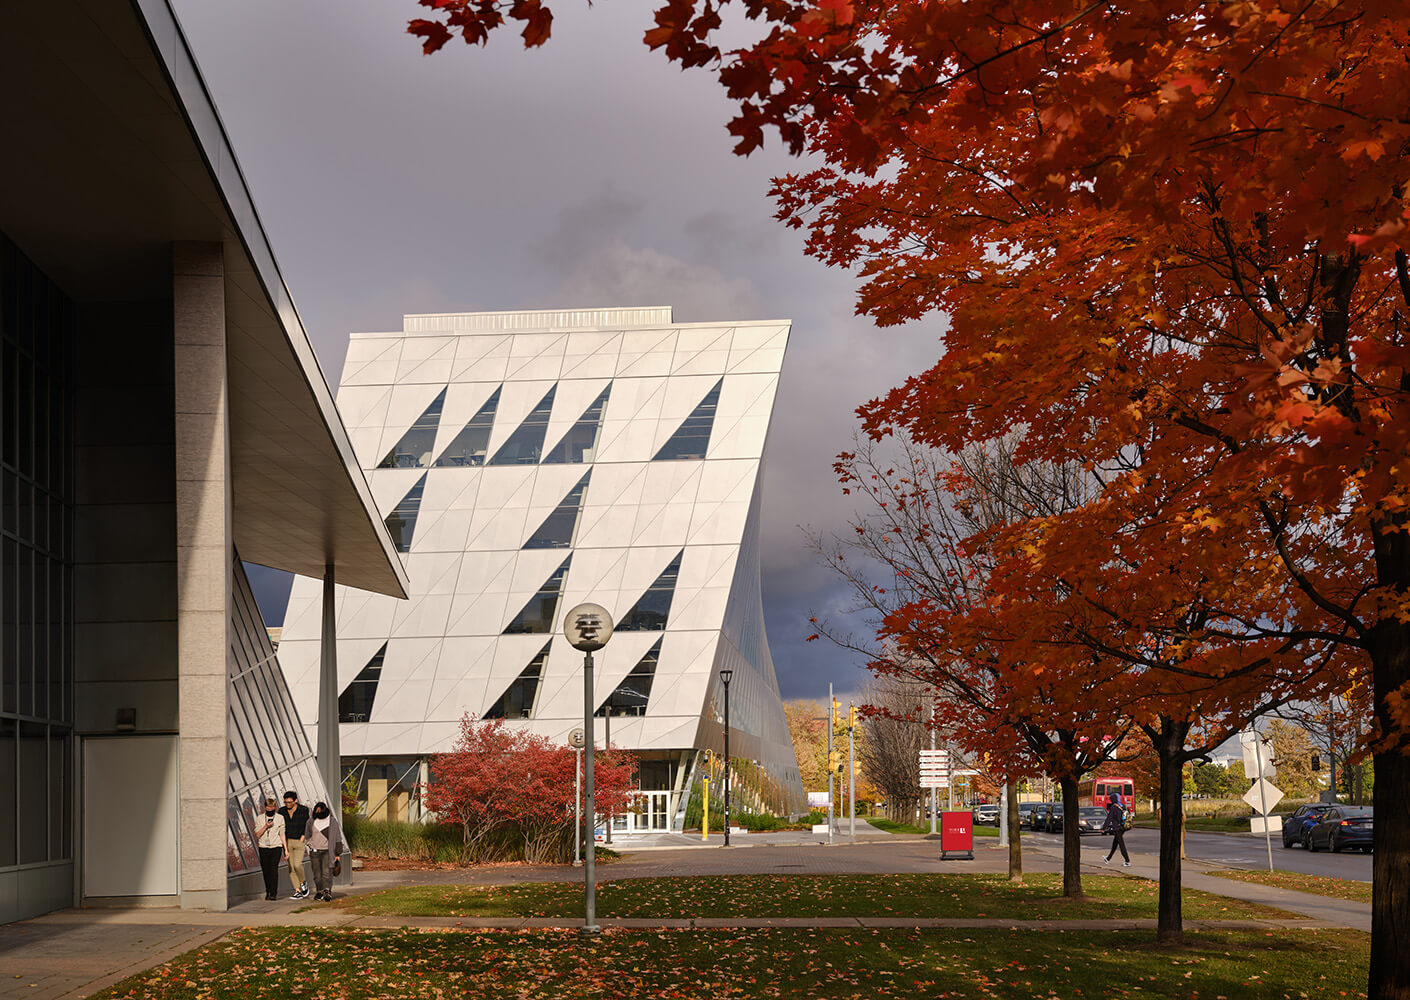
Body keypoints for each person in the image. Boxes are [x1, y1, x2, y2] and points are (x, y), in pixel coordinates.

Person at [305, 801, 345, 902]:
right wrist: (309, 843)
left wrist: (337, 853)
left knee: (327, 873)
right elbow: (307, 835)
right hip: (314, 851)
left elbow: (337, 838)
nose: (318, 814)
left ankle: (327, 891)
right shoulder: (311, 821)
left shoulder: (332, 821)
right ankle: (319, 891)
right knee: (317, 875)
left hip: (328, 851)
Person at [279, 790, 311, 899]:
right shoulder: (281, 811)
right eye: (285, 802)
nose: (287, 804)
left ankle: (303, 882)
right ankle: (297, 891)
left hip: (299, 841)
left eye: (289, 802)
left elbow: (307, 825)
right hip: (287, 842)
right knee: (291, 867)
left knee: (297, 865)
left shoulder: (303, 810)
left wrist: (303, 838)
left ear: (295, 800)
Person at [254, 798, 285, 901]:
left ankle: (273, 893)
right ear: (265, 807)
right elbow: (258, 834)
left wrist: (285, 848)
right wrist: (265, 826)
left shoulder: (280, 818)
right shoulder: (259, 818)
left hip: (276, 846)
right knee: (266, 870)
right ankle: (268, 891)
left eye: (272, 807)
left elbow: (282, 833)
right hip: (263, 846)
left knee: (273, 869)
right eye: (268, 807)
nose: (270, 809)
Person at [1101, 792, 1131, 867]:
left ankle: (1127, 861)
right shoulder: (1123, 806)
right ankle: (1108, 859)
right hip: (1123, 827)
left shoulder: (1114, 807)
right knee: (1115, 844)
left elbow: (1109, 818)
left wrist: (1104, 828)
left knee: (1121, 844)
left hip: (1117, 828)